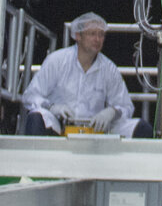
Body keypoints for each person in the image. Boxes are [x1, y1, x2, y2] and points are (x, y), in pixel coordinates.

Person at [19, 12, 149, 139]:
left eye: (101, 34)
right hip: (59, 126)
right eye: (92, 34)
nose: (97, 39)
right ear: (77, 36)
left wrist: (112, 112)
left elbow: (126, 106)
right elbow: (30, 96)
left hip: (95, 130)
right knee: (36, 117)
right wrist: (53, 107)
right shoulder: (57, 60)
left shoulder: (109, 68)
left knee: (141, 128)